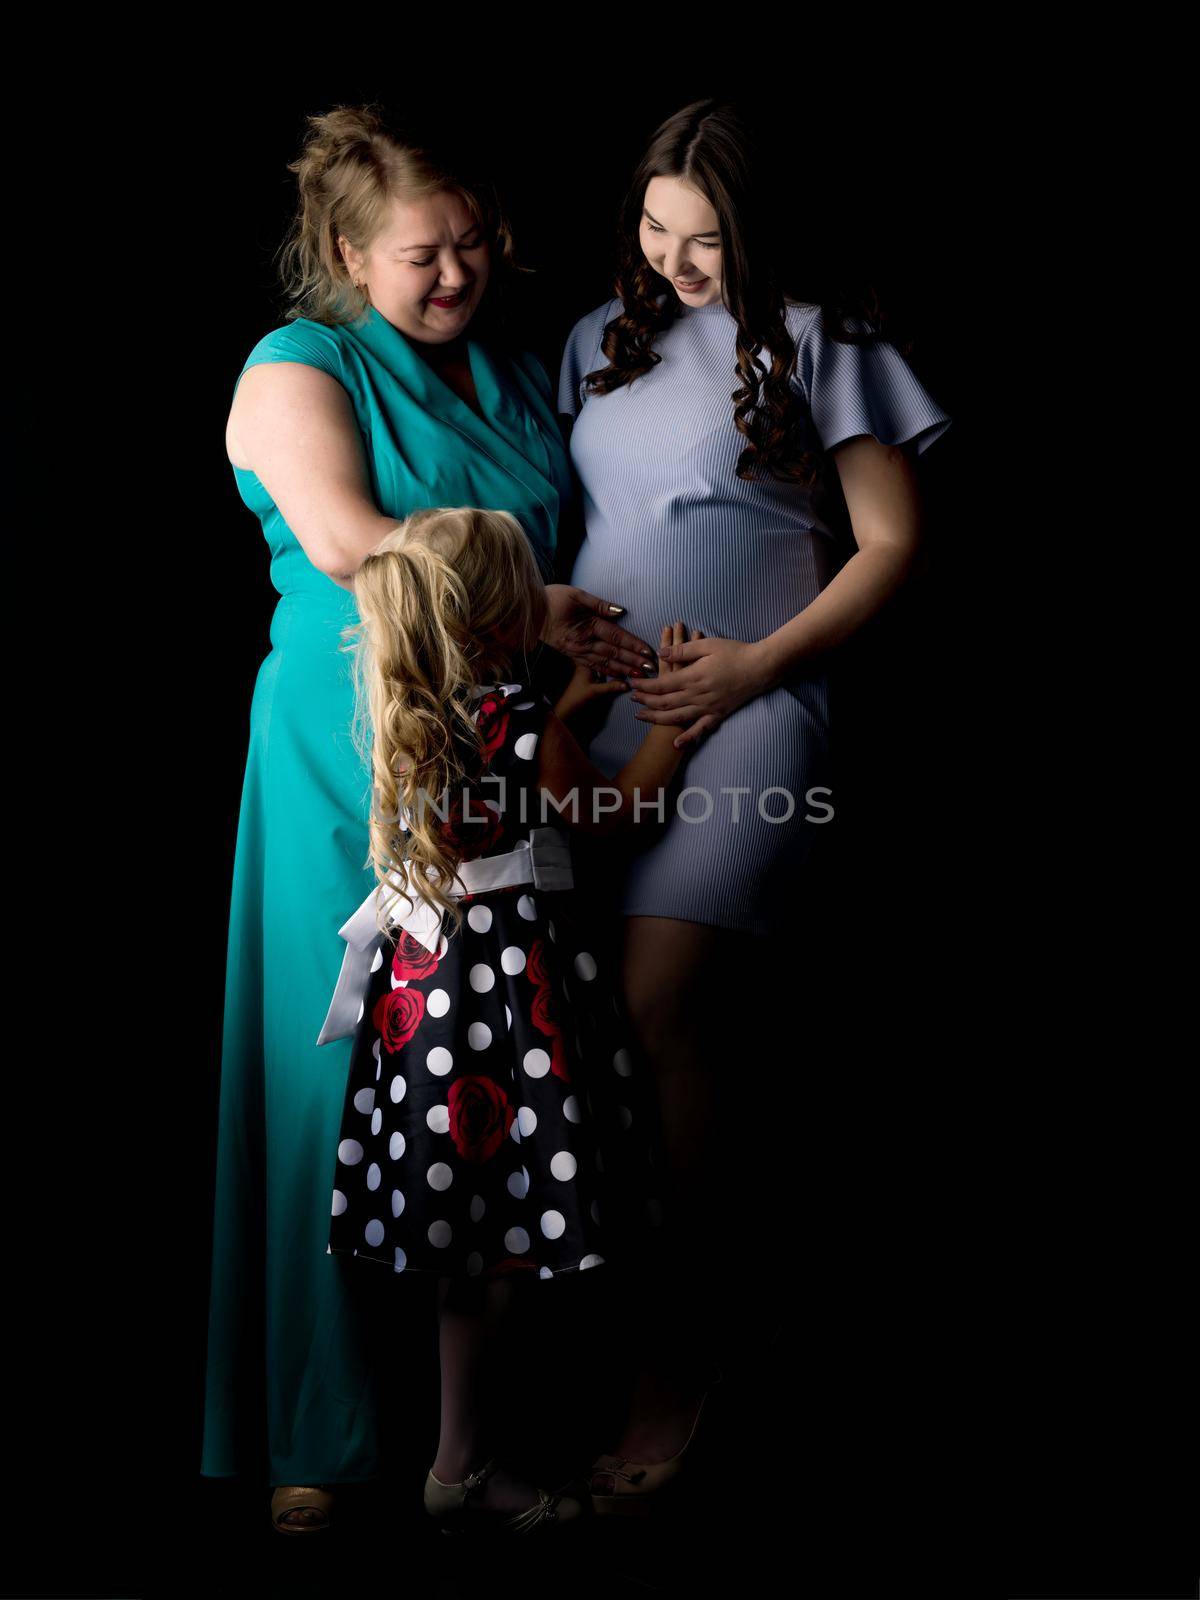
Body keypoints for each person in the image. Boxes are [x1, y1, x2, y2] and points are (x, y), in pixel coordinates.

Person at [201, 103, 656, 1535]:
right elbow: (346, 540)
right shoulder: (297, 364)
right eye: (422, 253)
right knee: (329, 1081)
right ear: (346, 251)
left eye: (475, 244)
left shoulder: (522, 374)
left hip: (502, 765)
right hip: (352, 752)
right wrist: (534, 606)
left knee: (493, 1103)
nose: (457, 274)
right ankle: (312, 1433)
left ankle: (469, 1446)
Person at [555, 98, 955, 1510]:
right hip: (601, 729)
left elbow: (893, 543)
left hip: (755, 717)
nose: (675, 261)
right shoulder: (600, 341)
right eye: (656, 229)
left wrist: (752, 671)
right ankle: (597, 1343)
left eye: (706, 239)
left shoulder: (826, 340)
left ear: (761, 227)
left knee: (663, 1014)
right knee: (585, 1033)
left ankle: (683, 1369)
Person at [315, 505, 692, 1533]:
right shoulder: (528, 727)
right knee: (507, 1251)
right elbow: (617, 816)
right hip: (510, 1006)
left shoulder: (414, 713)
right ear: (501, 619)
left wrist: (562, 706)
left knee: (469, 1243)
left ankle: (458, 1458)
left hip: (432, 1009)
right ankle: (469, 1466)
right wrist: (671, 725)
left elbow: (490, 798)